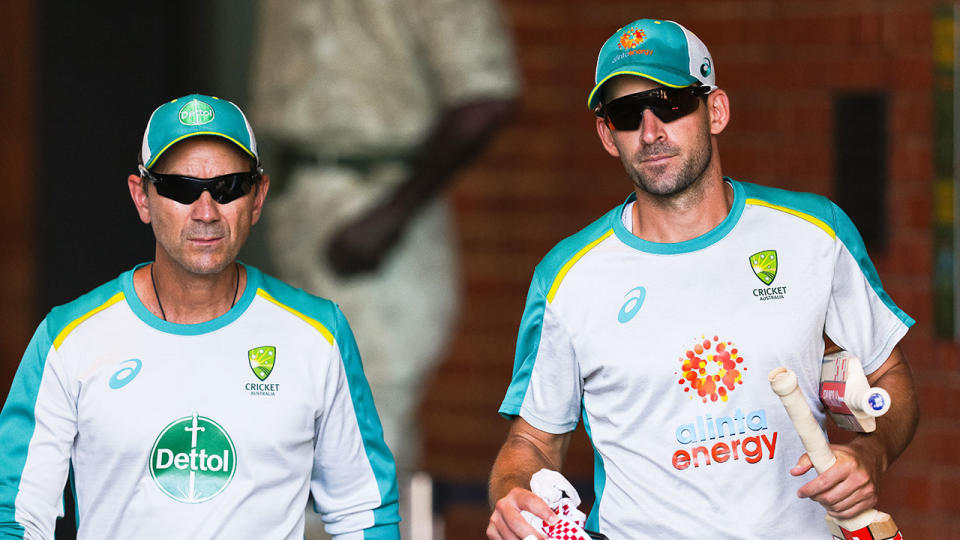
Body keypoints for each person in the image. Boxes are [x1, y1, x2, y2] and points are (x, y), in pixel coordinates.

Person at [486, 19, 918, 540]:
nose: (650, 132)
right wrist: (515, 494)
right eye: (626, 114)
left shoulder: (815, 233)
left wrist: (871, 453)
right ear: (607, 135)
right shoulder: (566, 278)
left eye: (670, 103)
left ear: (715, 110)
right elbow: (532, 442)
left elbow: (890, 381)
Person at [0, 94, 399, 539]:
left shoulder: (318, 334)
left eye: (228, 187)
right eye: (180, 188)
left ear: (258, 197)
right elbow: (16, 517)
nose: (206, 211)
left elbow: (365, 514)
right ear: (142, 198)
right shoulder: (67, 339)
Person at [250, 1, 518, 535]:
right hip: (294, 201)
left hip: (378, 202)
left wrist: (391, 216)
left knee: (365, 429)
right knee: (297, 421)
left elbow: (486, 96)